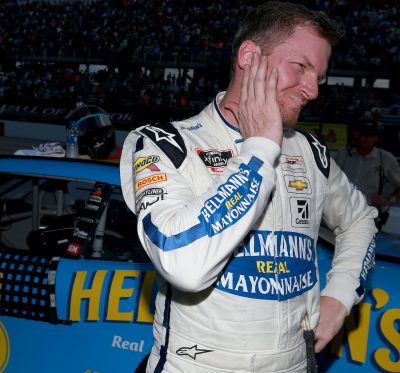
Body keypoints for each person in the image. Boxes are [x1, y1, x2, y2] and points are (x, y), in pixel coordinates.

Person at [119, 2, 378, 372]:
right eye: (300, 67)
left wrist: (339, 298)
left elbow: (360, 220)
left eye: (318, 78)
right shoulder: (165, 145)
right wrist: (259, 150)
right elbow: (185, 267)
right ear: (249, 56)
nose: (312, 91)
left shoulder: (311, 153)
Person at [334, 117, 400, 229]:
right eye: (364, 134)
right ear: (356, 135)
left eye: (372, 135)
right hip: (337, 214)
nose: (367, 138)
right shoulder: (343, 154)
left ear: (376, 138)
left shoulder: (385, 158)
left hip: (368, 218)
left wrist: (388, 200)